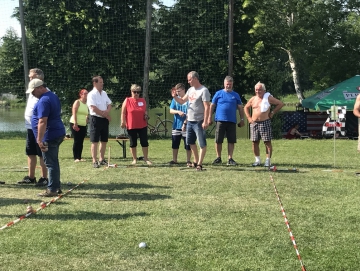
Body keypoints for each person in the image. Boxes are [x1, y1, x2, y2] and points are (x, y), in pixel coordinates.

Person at [28, 79, 66, 197]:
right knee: (53, 161)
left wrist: (39, 139)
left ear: (40, 88)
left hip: (50, 135)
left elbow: (42, 121)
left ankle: (52, 189)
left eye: (33, 91)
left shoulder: (44, 100)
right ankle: (56, 186)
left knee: (50, 163)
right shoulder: (53, 96)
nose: (32, 94)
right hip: (57, 132)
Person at [171, 71, 211, 171]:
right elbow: (182, 101)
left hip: (199, 121)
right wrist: (175, 97)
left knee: (201, 143)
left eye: (189, 79)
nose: (188, 82)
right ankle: (196, 161)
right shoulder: (190, 90)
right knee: (190, 142)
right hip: (190, 121)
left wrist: (205, 121)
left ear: (195, 79)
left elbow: (207, 107)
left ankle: (200, 164)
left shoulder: (203, 90)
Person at [18, 68, 48, 186]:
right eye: (29, 77)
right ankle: (31, 177)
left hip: (39, 128)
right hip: (30, 127)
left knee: (42, 153)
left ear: (40, 78)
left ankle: (44, 178)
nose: (29, 79)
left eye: (32, 77)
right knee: (30, 152)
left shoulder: (43, 92)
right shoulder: (32, 91)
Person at [244, 82, 284, 167]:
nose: (258, 91)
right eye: (256, 90)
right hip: (254, 123)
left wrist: (272, 112)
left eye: (260, 90)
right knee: (254, 142)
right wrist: (249, 118)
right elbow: (246, 107)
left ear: (264, 90)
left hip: (265, 121)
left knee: (267, 141)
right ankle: (257, 160)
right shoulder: (253, 99)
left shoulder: (268, 98)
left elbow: (280, 104)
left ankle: (268, 160)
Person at [210, 76, 245, 166]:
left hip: (231, 121)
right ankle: (218, 157)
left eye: (230, 84)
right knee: (218, 140)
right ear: (224, 84)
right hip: (220, 120)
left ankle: (230, 158)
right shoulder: (218, 93)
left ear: (232, 84)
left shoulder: (236, 95)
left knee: (231, 140)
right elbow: (212, 106)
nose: (228, 86)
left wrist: (242, 119)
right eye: (227, 84)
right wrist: (209, 118)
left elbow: (240, 108)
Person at [121, 84, 152, 165]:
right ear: (131, 92)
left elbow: (145, 110)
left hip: (142, 125)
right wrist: (123, 122)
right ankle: (134, 159)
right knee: (133, 143)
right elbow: (123, 112)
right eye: (134, 92)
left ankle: (146, 158)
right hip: (131, 125)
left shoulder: (142, 100)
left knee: (144, 142)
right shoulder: (127, 100)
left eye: (138, 92)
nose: (136, 94)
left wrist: (146, 115)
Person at [87, 75, 112, 168]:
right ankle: (94, 160)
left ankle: (102, 159)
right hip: (95, 119)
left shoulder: (104, 93)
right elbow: (93, 107)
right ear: (95, 83)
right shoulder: (91, 94)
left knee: (104, 140)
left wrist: (107, 112)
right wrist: (104, 114)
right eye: (100, 82)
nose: (102, 84)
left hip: (104, 120)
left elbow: (109, 104)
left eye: (102, 82)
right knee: (94, 141)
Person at [169, 83, 192, 166]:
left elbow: (190, 112)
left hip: (187, 125)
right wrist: (177, 111)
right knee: (175, 143)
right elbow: (171, 110)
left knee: (188, 144)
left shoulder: (188, 99)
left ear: (184, 90)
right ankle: (174, 160)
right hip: (176, 125)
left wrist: (185, 123)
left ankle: (188, 160)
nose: (177, 93)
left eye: (179, 91)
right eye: (176, 91)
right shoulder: (175, 99)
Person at [69, 89, 89, 162]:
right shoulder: (77, 102)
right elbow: (74, 112)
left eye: (87, 93)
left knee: (81, 141)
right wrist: (75, 123)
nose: (87, 95)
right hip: (75, 123)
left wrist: (87, 118)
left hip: (83, 124)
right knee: (77, 140)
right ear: (81, 94)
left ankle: (79, 157)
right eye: (85, 93)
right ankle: (75, 157)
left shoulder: (87, 104)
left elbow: (86, 114)